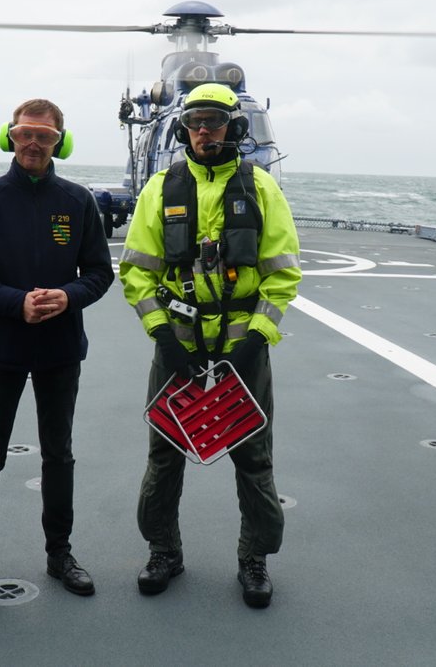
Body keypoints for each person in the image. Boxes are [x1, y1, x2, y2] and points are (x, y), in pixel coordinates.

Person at [118, 83, 301, 608]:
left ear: (234, 128)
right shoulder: (161, 188)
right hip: (177, 346)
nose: (204, 131)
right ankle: (163, 551)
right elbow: (136, 271)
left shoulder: (261, 188)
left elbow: (282, 274)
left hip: (244, 350)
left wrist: (256, 339)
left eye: (214, 122)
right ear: (184, 130)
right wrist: (161, 333)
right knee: (164, 453)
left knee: (253, 456)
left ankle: (254, 559)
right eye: (195, 122)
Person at [0, 98, 114, 618]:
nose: (34, 143)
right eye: (25, 133)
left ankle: (59, 554)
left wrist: (68, 296)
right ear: (10, 136)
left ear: (60, 143)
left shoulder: (78, 201)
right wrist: (14, 303)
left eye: (46, 136)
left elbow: (99, 272)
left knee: (58, 454)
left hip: (59, 349)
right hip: (0, 347)